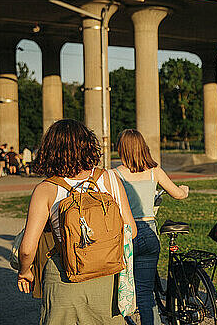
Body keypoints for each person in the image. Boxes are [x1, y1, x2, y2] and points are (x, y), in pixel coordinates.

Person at [16, 119, 137, 324]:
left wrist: (24, 271)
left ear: (50, 150)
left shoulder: (45, 190)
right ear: (88, 145)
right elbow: (131, 230)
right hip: (107, 274)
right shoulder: (109, 178)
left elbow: (27, 249)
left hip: (65, 274)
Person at [115, 129, 189, 325]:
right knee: (146, 294)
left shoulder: (114, 175)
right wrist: (184, 190)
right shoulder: (154, 171)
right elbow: (178, 195)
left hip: (125, 234)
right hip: (149, 233)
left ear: (121, 148)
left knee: (119, 287)